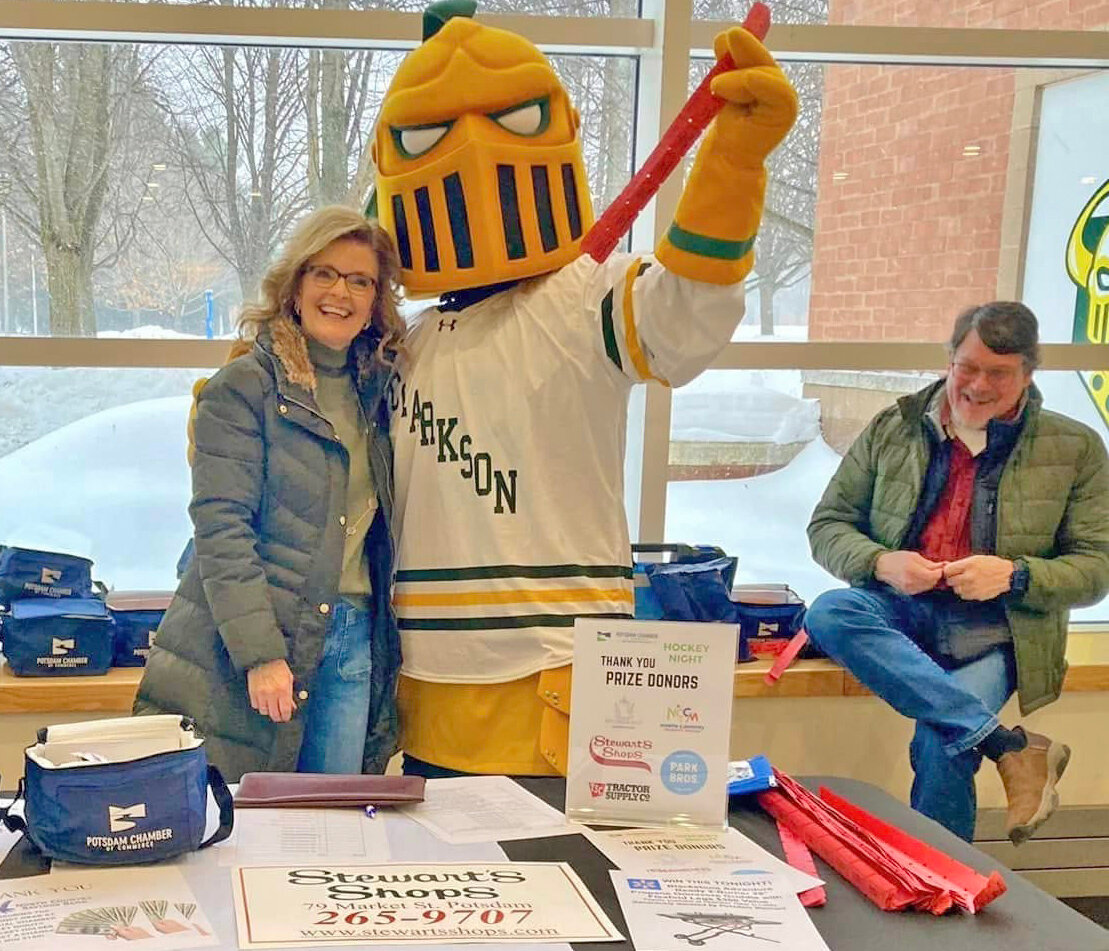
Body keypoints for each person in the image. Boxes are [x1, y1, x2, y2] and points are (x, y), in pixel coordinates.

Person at [371, 1, 798, 778]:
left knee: (566, 882)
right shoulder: (410, 341)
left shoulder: (585, 298)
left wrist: (731, 162)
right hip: (424, 675)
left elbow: (685, 316)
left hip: (555, 668)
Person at [805, 301, 1109, 844]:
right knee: (830, 611)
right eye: (968, 367)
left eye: (999, 373)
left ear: (1028, 375)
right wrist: (881, 562)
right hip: (901, 612)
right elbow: (828, 526)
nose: (978, 385)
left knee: (941, 743)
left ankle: (944, 889)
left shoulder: (1076, 447)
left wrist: (1014, 575)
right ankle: (1010, 749)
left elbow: (1097, 567)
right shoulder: (893, 427)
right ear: (949, 360)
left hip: (1000, 628)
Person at [135, 206, 406, 781]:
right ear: (295, 284)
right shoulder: (242, 389)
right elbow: (221, 530)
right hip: (259, 640)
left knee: (333, 830)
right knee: (246, 834)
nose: (341, 292)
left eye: (361, 280)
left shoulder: (382, 389)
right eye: (325, 274)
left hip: (353, 635)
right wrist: (260, 655)